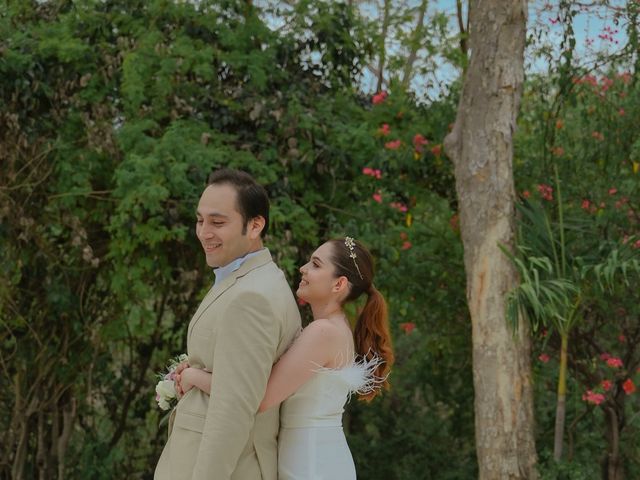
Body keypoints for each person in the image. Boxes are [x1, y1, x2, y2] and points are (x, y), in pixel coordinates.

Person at [177, 236, 394, 480]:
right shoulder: (332, 328)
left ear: (338, 284)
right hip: (312, 454)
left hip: (310, 463)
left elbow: (258, 397)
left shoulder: (323, 333)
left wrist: (194, 376)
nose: (303, 268)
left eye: (316, 264)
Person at [154, 169, 302, 480]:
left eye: (218, 223)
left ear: (255, 225)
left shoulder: (253, 298)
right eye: (200, 220)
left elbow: (232, 411)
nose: (204, 232)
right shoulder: (245, 280)